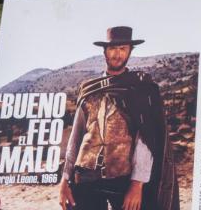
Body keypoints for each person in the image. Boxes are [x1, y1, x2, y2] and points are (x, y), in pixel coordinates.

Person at [59, 26, 168, 210]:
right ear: (104, 52)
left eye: (123, 49)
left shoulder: (139, 89)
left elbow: (145, 140)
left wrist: (137, 184)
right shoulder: (88, 89)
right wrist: (65, 180)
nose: (117, 54)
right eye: (112, 49)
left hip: (123, 178)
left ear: (130, 52)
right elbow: (76, 138)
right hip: (85, 177)